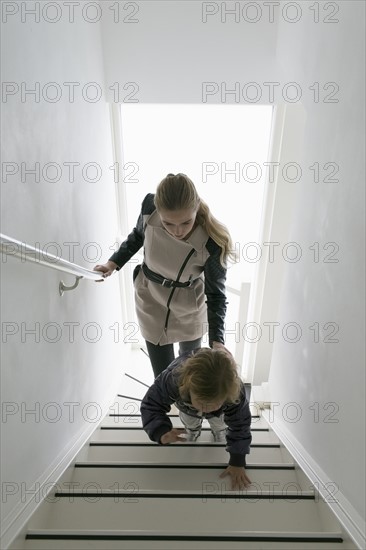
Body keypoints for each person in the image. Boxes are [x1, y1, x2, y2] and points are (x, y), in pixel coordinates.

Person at [94, 173, 235, 378]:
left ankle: (184, 408)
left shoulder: (213, 242)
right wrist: (112, 263)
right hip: (150, 298)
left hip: (189, 308)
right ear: (158, 211)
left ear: (197, 209)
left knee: (188, 373)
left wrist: (217, 341)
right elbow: (137, 236)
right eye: (168, 223)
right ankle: (163, 406)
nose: (177, 231)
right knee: (162, 375)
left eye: (186, 223)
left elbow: (216, 296)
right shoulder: (149, 206)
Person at [140, 347, 252, 490]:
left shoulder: (235, 393)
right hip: (187, 407)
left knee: (219, 423)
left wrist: (237, 461)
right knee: (189, 420)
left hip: (220, 412)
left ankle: (218, 432)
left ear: (226, 397)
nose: (205, 409)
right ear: (187, 388)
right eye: (201, 402)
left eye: (214, 403)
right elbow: (151, 404)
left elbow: (240, 425)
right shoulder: (173, 379)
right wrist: (159, 430)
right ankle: (193, 431)